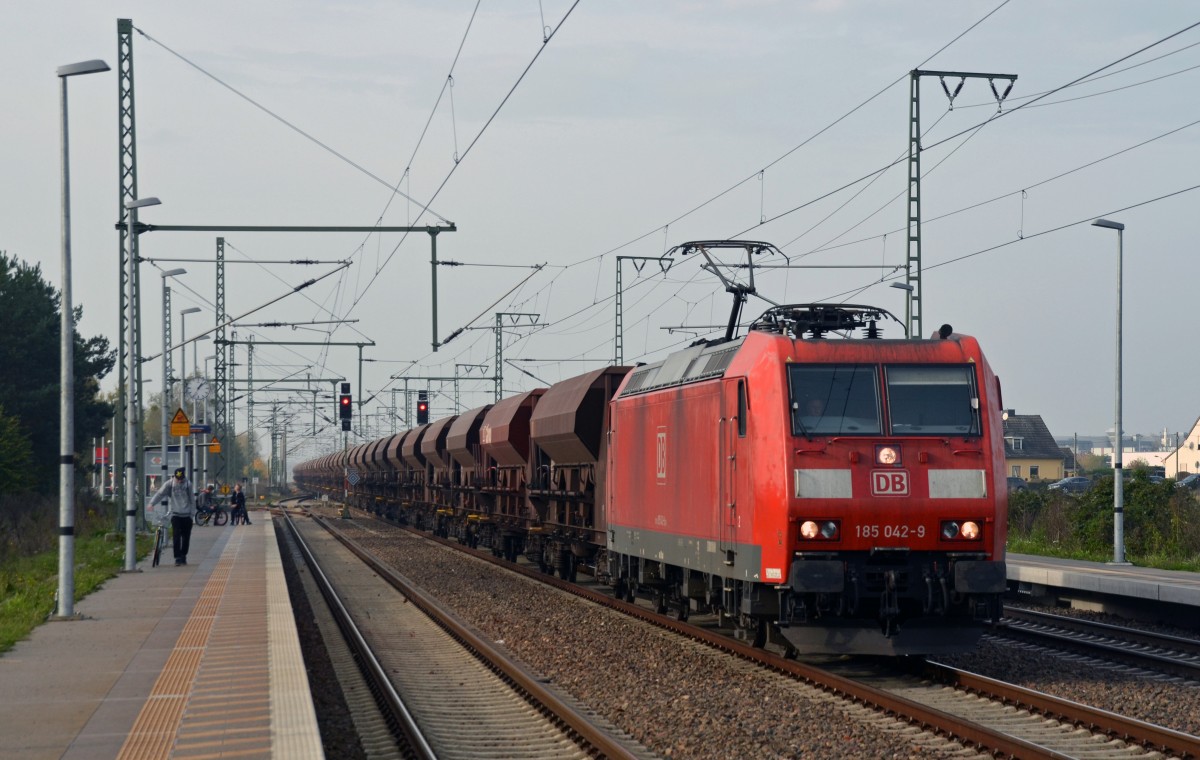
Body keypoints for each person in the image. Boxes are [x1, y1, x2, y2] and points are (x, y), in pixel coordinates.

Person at [150, 467, 195, 566]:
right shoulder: (169, 484)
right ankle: (177, 557)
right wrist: (151, 503)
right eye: (177, 478)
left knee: (186, 537)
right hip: (175, 514)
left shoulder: (188, 484)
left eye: (181, 479)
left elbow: (192, 499)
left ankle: (184, 555)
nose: (179, 481)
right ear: (174, 476)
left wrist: (192, 515)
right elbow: (160, 494)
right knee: (176, 536)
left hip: (187, 515)